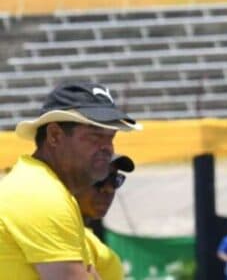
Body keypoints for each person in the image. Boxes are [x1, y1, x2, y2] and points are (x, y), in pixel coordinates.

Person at [0, 82, 141, 280]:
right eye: (95, 136)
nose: (107, 147)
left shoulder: (41, 187)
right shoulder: (41, 195)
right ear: (55, 135)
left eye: (111, 137)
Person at [75, 155, 134, 280]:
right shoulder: (58, 237)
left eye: (115, 180)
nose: (109, 189)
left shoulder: (86, 239)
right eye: (99, 179)